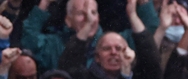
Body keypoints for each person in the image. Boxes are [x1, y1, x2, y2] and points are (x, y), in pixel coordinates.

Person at [21, 0, 158, 71]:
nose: (89, 19)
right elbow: (29, 39)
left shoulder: (114, 44)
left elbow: (147, 35)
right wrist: (45, 3)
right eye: (81, 13)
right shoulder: (54, 44)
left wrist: (143, 3)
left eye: (93, 13)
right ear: (68, 20)